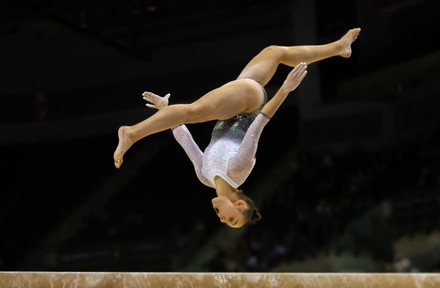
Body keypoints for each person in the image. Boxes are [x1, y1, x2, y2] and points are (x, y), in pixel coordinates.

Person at [114, 28, 361, 228]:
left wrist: (165, 110)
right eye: (231, 218)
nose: (222, 219)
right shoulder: (238, 170)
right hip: (249, 105)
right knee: (194, 112)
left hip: (238, 101)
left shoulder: (204, 176)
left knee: (274, 52)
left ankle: (338, 47)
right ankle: (132, 133)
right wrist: (285, 89)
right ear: (240, 205)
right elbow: (259, 123)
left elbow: (183, 137)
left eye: (226, 221)